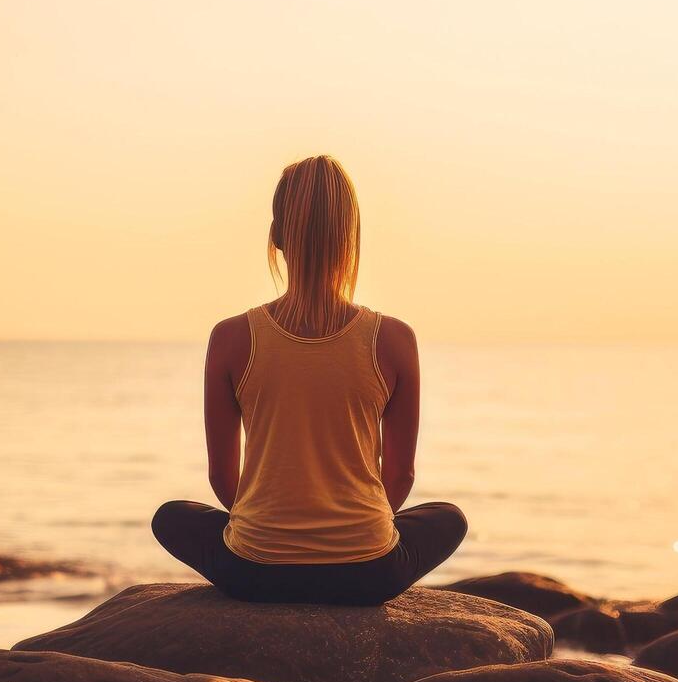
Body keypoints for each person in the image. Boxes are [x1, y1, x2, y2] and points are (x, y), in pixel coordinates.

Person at [151, 155, 467, 605]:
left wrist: (275, 531)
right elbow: (401, 474)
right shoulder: (394, 339)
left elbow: (224, 478)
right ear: (351, 237)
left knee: (171, 517)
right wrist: (349, 538)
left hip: (255, 575)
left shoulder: (230, 337)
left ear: (278, 236)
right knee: (448, 518)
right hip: (368, 575)